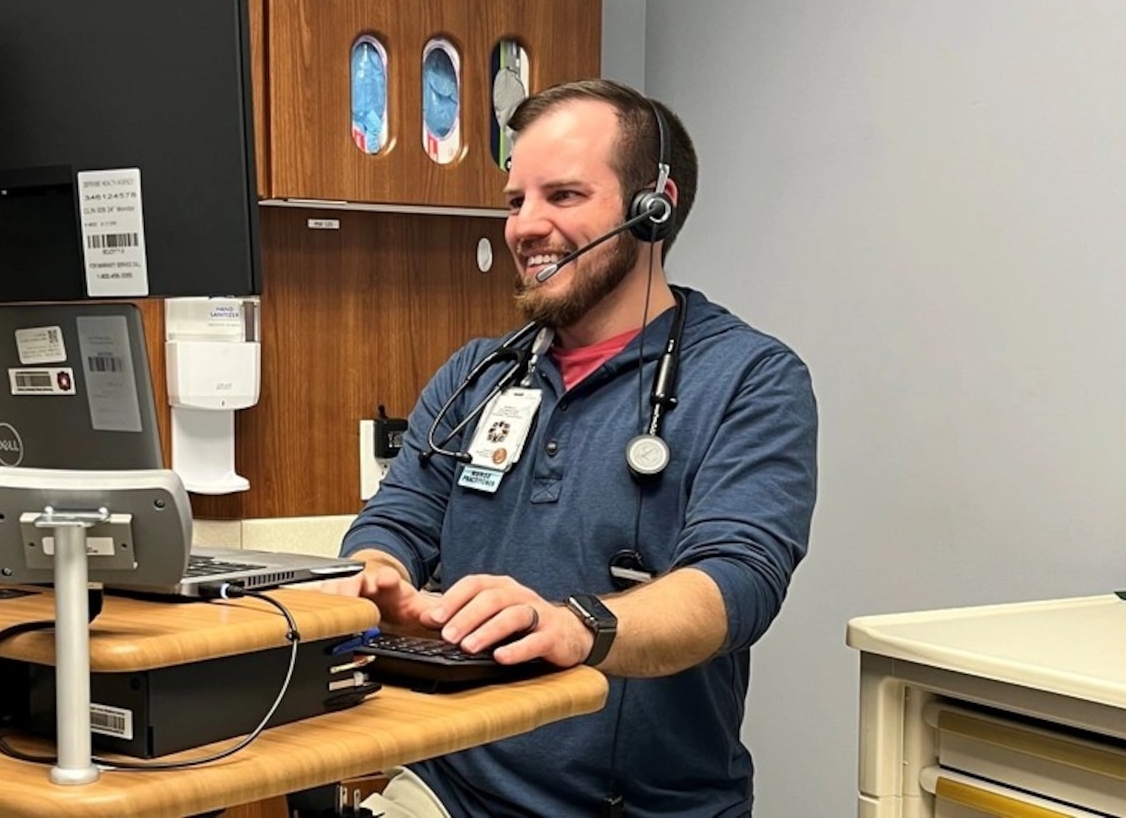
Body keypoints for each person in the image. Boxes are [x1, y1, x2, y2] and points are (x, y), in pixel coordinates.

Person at [335, 79, 818, 818]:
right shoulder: (476, 373)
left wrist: (574, 625)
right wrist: (377, 576)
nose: (525, 227)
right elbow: (397, 518)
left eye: (561, 196)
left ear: (652, 208)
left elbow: (737, 581)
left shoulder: (749, 377)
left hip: (639, 806)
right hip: (450, 791)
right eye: (513, 201)